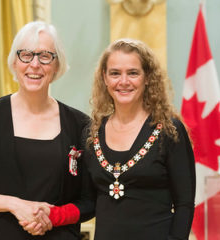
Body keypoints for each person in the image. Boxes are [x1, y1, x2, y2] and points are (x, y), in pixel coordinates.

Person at [0, 21, 94, 240]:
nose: (34, 64)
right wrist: (16, 205)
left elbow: (88, 201)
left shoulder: (80, 124)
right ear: (14, 63)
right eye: (25, 55)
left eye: (45, 56)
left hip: (56, 234)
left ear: (57, 65)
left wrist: (53, 216)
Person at [83, 38, 196, 240]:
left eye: (133, 73)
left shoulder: (170, 131)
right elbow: (88, 201)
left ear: (147, 78)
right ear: (105, 78)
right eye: (115, 73)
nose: (123, 81)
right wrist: (51, 215)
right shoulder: (92, 134)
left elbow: (184, 204)